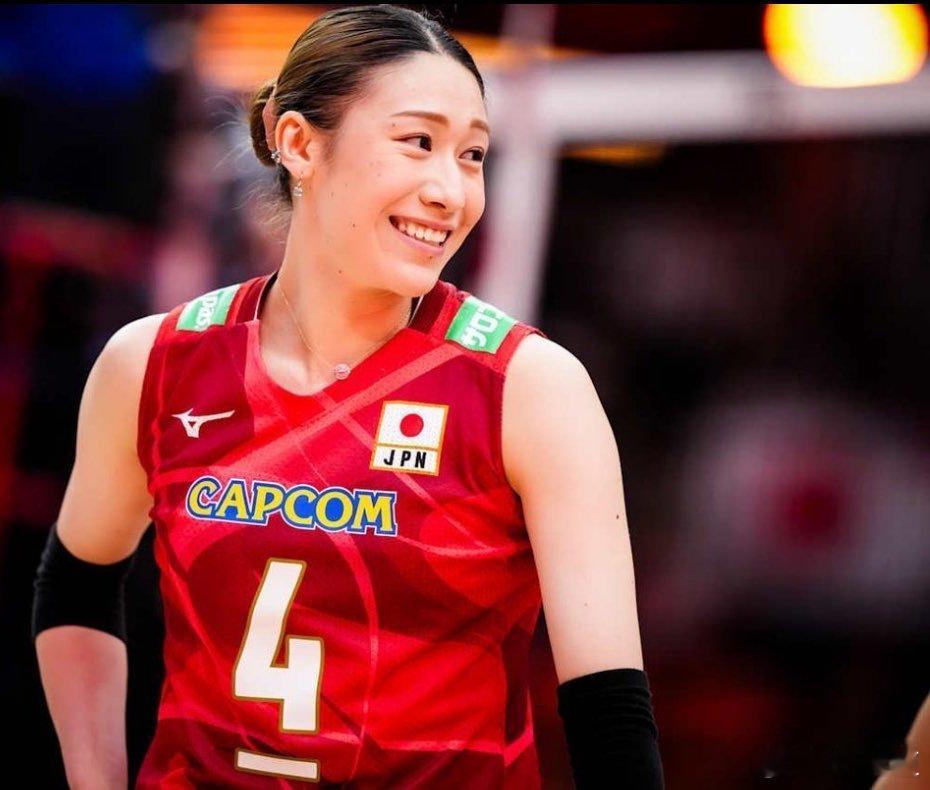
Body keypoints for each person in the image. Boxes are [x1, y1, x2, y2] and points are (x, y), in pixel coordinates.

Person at [33, 5, 664, 788]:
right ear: (299, 144)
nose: (450, 190)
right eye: (418, 142)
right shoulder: (153, 363)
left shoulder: (531, 389)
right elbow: (76, 586)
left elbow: (609, 714)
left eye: (472, 155)